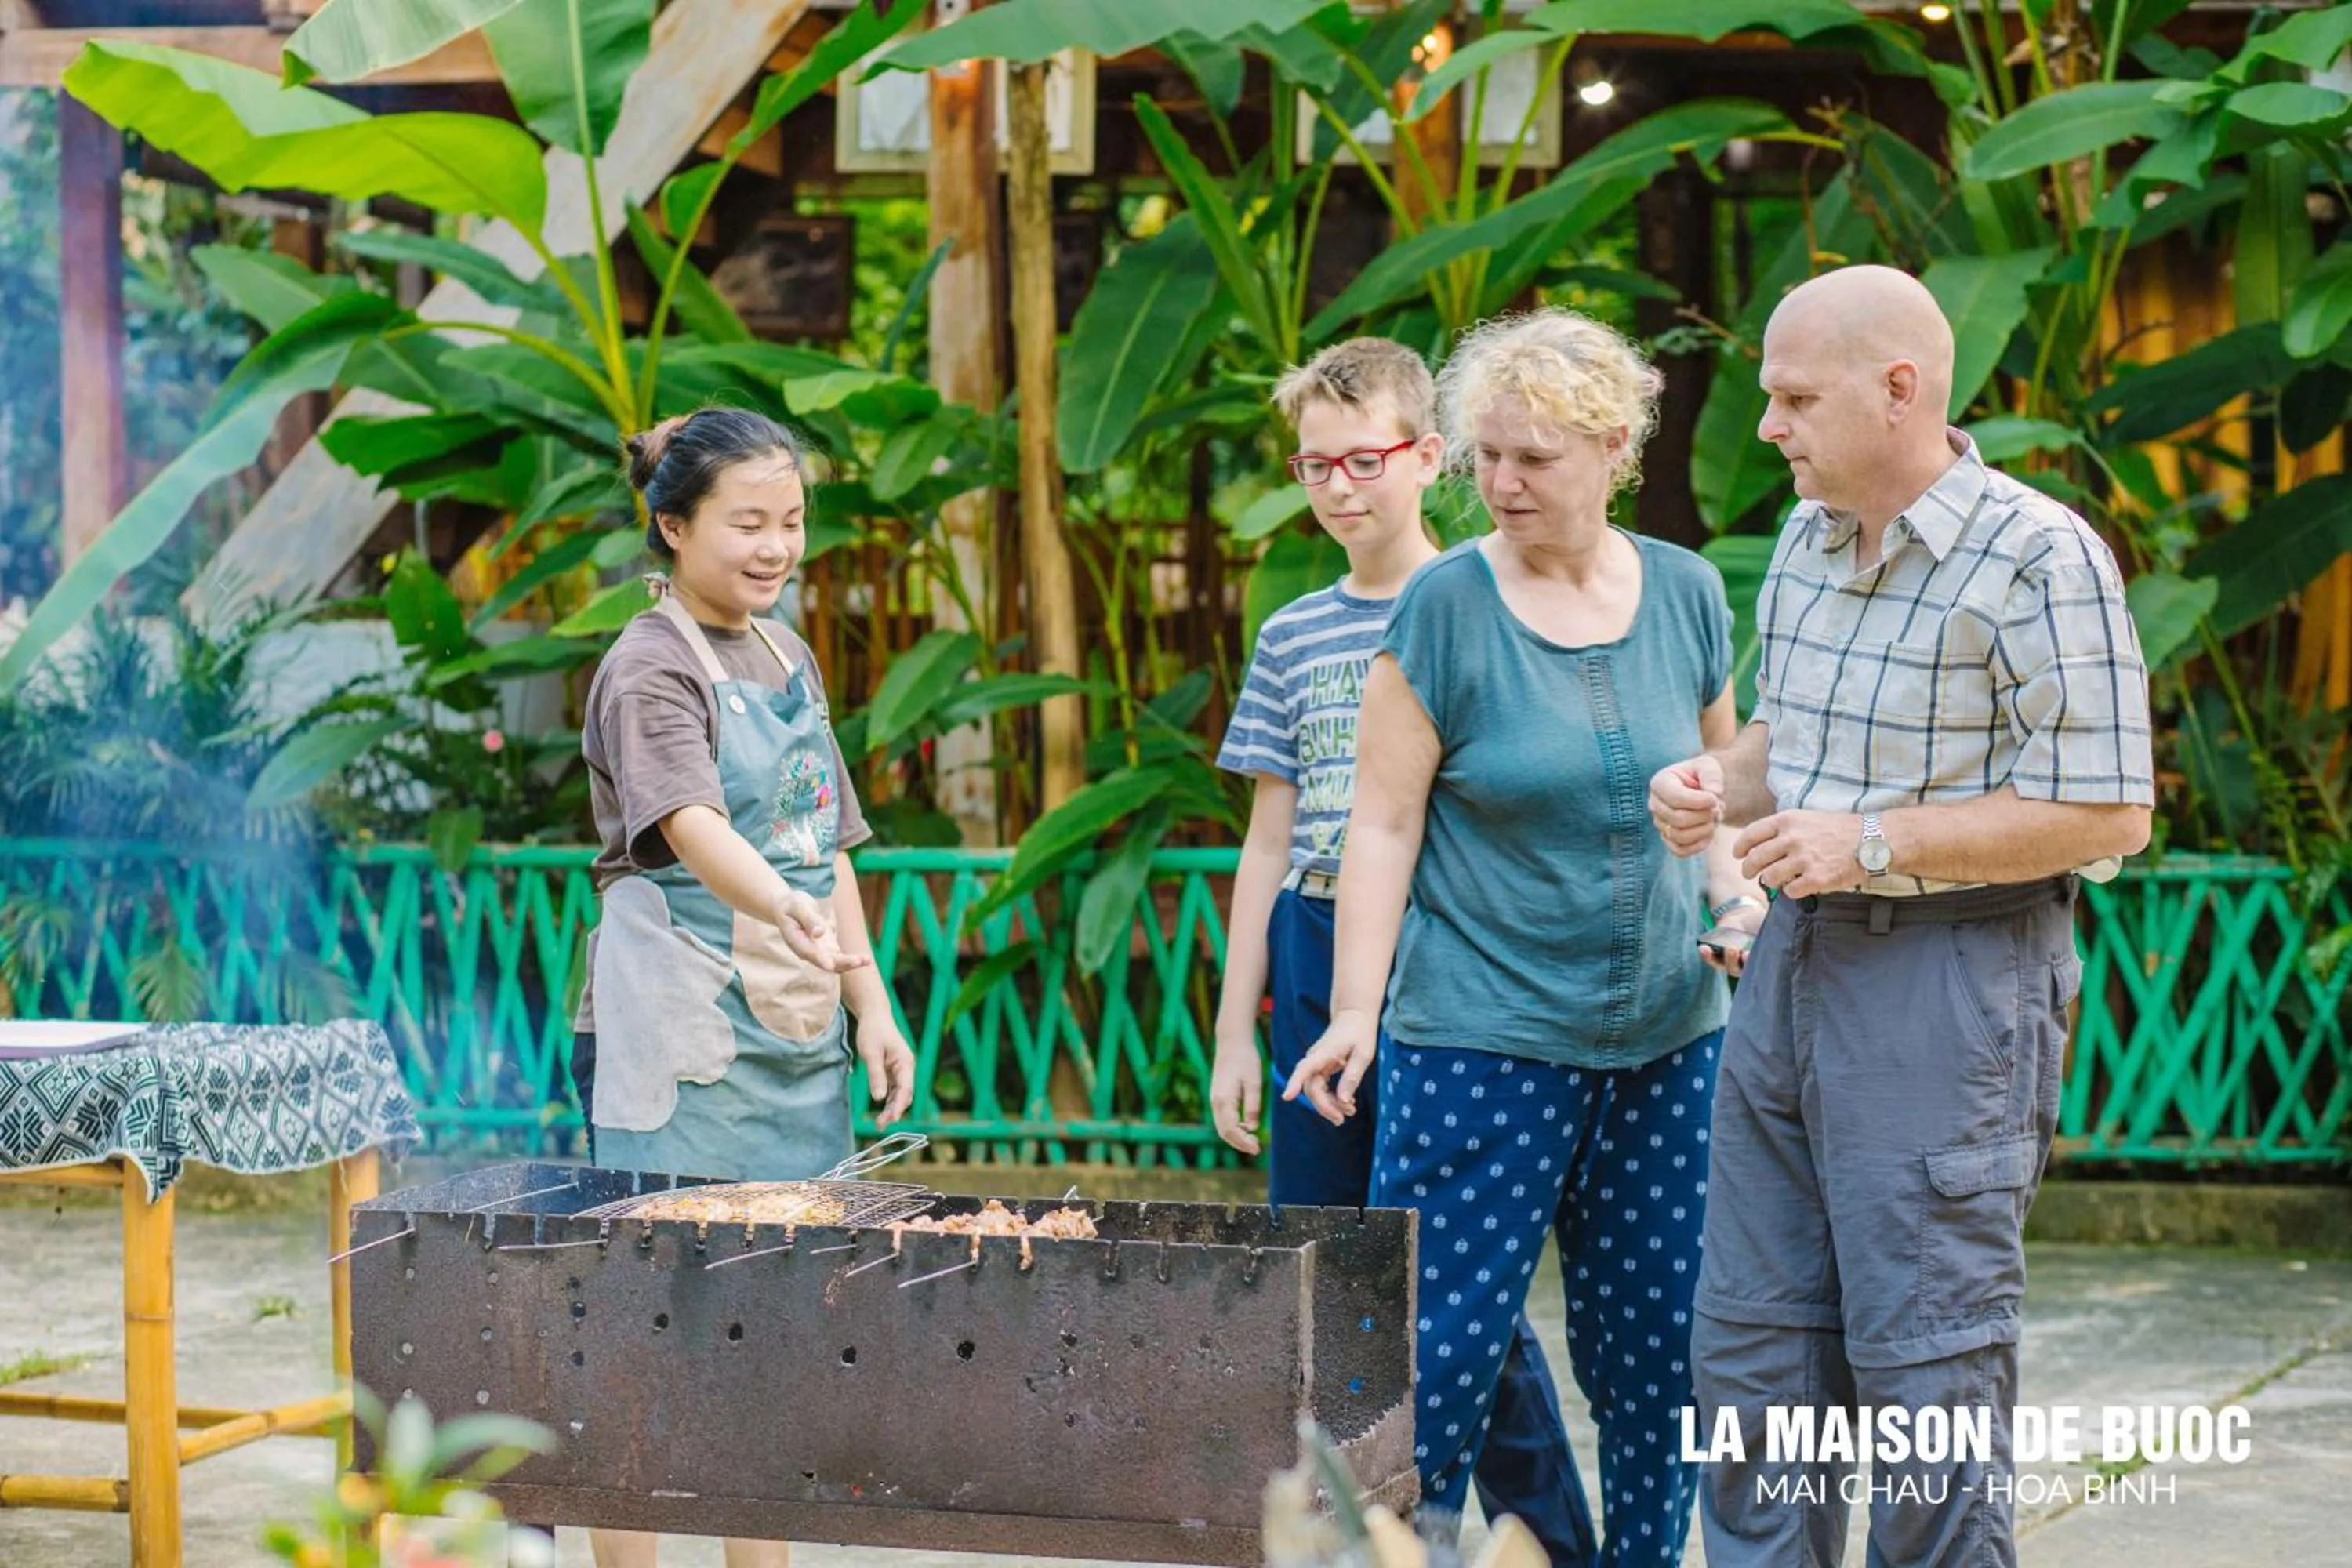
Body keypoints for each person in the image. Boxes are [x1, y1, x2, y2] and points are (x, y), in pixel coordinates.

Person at [1648, 264, 2154, 1566]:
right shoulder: (1810, 545)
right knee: (1753, 1350)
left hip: (1953, 977)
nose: (1769, 425)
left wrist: (1869, 840)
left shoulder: (2042, 557)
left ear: (1899, 390)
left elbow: (2108, 815)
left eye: (1793, 398)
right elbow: (1789, 742)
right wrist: (1720, 780)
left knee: (1928, 1365)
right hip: (1789, 969)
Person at [1285, 310, 1768, 1564]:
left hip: (1670, 1044)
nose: (1499, 484)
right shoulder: (1446, 605)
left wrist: (1737, 900)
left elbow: (1720, 782)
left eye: (1533, 460)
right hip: (1480, 1043)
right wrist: (1354, 1012)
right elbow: (1382, 828)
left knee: (1663, 1360)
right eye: (1486, 455)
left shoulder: (1688, 590)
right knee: (1434, 1365)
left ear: (1615, 450)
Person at [1207, 336, 1598, 1562]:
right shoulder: (1293, 633)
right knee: (1325, 1278)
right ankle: (1366, 1539)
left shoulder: (1482, 604)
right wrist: (1237, 1023)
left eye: (1363, 460)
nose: (1336, 487)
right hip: (1318, 943)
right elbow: (1270, 840)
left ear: (1429, 458)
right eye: (1314, 465)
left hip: (1448, 954)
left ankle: (1549, 1539)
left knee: (1452, 1273)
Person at [573, 406, 916, 1568]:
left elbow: (831, 843)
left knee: (770, 1335)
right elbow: (689, 823)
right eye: (748, 525)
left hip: (791, 1027)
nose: (778, 549)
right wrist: (782, 907)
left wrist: (872, 1002)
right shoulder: (648, 664)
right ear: (672, 526)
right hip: (675, 1039)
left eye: (794, 522)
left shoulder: (788, 653)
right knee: (655, 1338)